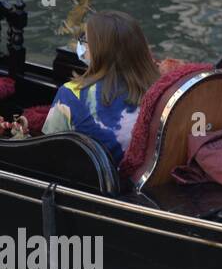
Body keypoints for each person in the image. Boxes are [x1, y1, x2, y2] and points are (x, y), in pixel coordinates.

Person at [42, 11, 158, 165]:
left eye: (85, 40)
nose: (81, 45)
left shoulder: (71, 94)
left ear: (99, 50)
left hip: (95, 184)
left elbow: (48, 153)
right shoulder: (160, 89)